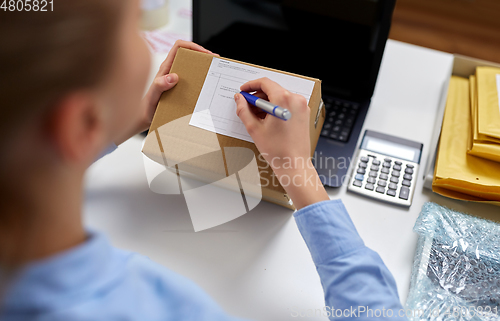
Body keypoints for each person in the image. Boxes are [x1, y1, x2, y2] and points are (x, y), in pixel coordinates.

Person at [0, 0, 407, 320]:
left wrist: (130, 121)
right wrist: (298, 171)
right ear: (80, 122)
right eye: (134, 27)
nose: (150, 45)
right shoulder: (164, 309)